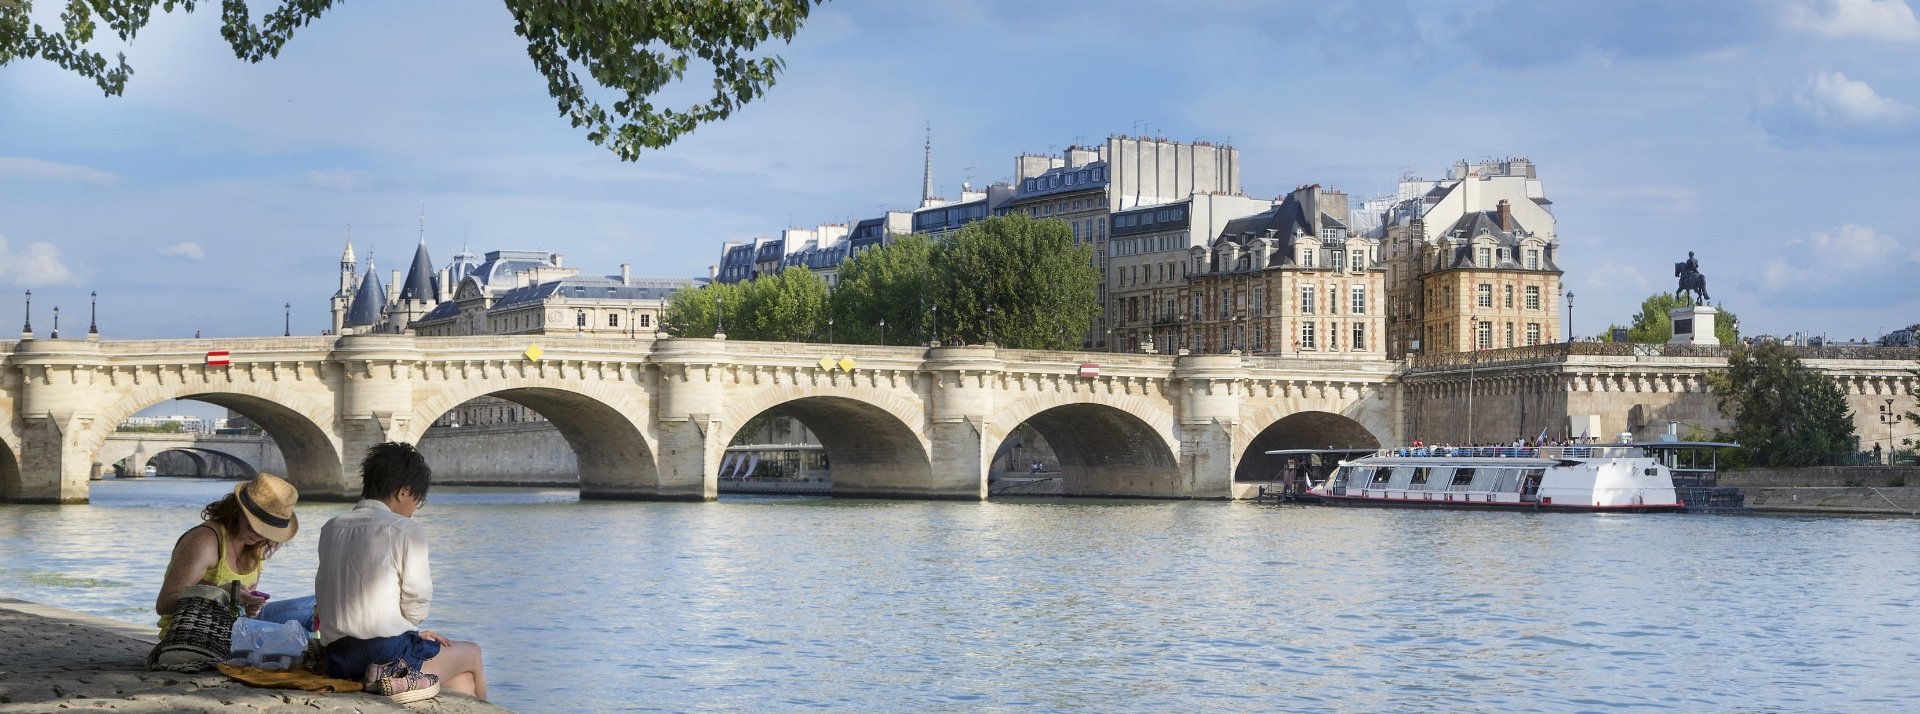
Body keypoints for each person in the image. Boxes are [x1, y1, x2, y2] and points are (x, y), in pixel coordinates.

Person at [316, 442, 487, 703]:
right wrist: (410, 629)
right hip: (384, 657)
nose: (414, 510)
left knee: (461, 681)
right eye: (417, 501)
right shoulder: (404, 529)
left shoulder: (331, 527)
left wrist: (407, 631)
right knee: (472, 652)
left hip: (337, 658)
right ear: (404, 492)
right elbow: (417, 603)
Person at [155, 473, 314, 637]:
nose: (260, 535)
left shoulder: (255, 545)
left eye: (267, 531)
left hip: (236, 626)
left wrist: (249, 605)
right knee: (301, 636)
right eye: (255, 526)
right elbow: (164, 604)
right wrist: (222, 593)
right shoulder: (205, 541)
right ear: (238, 510)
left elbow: (242, 611)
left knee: (320, 606)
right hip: (194, 632)